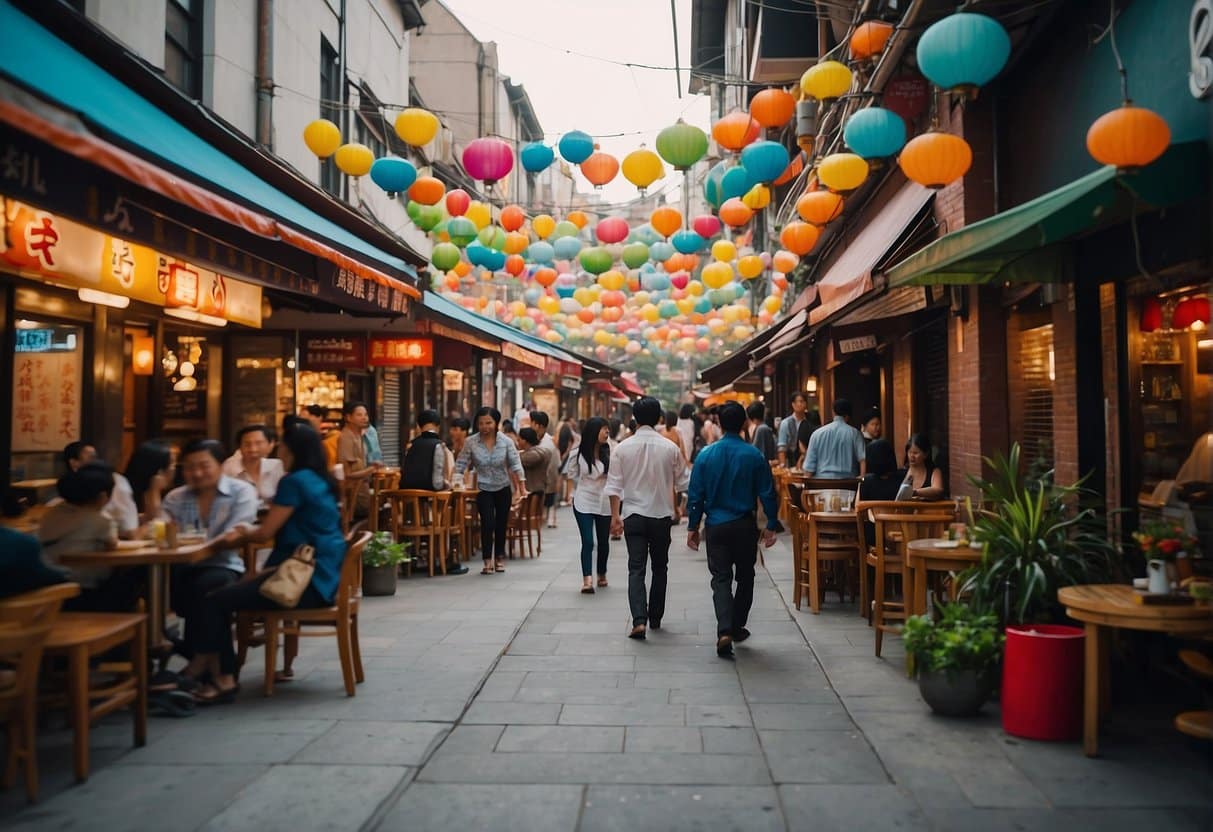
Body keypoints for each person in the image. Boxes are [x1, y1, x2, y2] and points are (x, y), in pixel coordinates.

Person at [188, 420, 350, 702]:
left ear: (293, 451)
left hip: (300, 585)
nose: (280, 454)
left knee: (213, 599)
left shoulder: (294, 482)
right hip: (322, 579)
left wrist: (241, 532)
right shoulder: (322, 480)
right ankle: (208, 667)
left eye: (283, 448)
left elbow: (265, 532)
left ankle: (217, 674)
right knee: (221, 592)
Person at [686, 402, 779, 658]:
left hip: (716, 525)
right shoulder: (754, 456)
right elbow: (767, 492)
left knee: (721, 578)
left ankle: (725, 629)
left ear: (720, 422)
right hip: (744, 524)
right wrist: (771, 524)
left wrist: (693, 526)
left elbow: (696, 495)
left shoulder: (705, 455)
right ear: (744, 423)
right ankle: (736, 625)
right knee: (746, 576)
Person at [162, 439, 259, 683]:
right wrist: (153, 492)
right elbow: (159, 530)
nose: (196, 473)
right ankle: (211, 665)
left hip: (223, 565)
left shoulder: (241, 492)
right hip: (178, 567)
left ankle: (209, 666)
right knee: (147, 589)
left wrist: (203, 545)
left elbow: (236, 534)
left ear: (220, 465)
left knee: (209, 588)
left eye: (204, 466)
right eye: (189, 467)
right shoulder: (175, 497)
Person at [605, 396, 689, 640]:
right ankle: (656, 616)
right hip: (661, 515)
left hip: (633, 515)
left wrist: (614, 517)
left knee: (636, 568)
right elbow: (684, 482)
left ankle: (638, 620)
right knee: (660, 567)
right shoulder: (670, 448)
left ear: (635, 418)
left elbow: (613, 487)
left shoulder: (621, 448)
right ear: (659, 418)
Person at [38, 463, 140, 612]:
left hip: (50, 585)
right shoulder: (101, 520)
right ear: (103, 496)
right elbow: (113, 545)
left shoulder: (51, 514)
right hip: (84, 590)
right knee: (135, 574)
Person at [456, 406, 526, 575]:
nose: (485, 427)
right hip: (483, 488)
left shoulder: (506, 442)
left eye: (489, 423)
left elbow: (515, 463)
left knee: (501, 524)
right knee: (487, 523)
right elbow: (460, 463)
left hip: (503, 487)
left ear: (496, 424)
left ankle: (499, 558)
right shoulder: (471, 442)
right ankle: (487, 560)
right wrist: (456, 481)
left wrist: (522, 487)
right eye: (481, 423)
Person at [571, 417, 612, 594]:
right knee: (588, 541)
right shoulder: (578, 453)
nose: (607, 433)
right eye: (604, 429)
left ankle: (601, 573)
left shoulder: (611, 452)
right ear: (594, 432)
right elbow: (571, 473)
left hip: (604, 502)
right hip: (583, 501)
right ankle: (587, 580)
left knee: (603, 542)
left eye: (607, 430)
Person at [109, 439, 174, 540]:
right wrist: (154, 491)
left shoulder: (130, 488)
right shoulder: (121, 488)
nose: (174, 468)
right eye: (172, 464)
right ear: (159, 470)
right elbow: (135, 536)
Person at [336, 401, 382, 516]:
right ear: (348, 417)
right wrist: (371, 469)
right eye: (359, 415)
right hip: (353, 495)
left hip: (362, 490)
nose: (364, 418)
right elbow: (348, 474)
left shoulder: (359, 436)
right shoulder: (346, 437)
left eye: (365, 414)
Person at [802, 399, 866, 479]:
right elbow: (862, 459)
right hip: (848, 485)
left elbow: (809, 468)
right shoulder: (855, 434)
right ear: (848, 415)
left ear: (833, 412)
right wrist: (862, 479)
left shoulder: (817, 434)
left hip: (822, 484)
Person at [858, 439, 905, 545]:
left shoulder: (867, 481)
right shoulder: (902, 478)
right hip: (901, 532)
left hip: (874, 536)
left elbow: (860, 507)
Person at [222, 425, 285, 504]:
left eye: (258, 443)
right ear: (239, 447)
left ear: (270, 444)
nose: (253, 449)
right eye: (247, 444)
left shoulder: (277, 466)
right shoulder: (229, 468)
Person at [402, 409, 453, 491]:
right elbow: (437, 483)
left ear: (419, 426)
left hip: (408, 496)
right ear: (438, 427)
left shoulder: (410, 445)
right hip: (431, 495)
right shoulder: (439, 446)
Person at [531, 411, 562, 529]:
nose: (530, 425)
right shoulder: (541, 440)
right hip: (543, 483)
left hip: (545, 482)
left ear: (539, 426)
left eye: (532, 423)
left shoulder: (548, 443)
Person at [903, 433, 945, 499]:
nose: (912, 456)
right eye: (909, 452)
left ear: (926, 454)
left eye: (915, 453)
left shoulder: (934, 472)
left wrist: (914, 492)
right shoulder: (903, 472)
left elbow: (938, 490)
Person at [517, 428, 554, 502]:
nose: (518, 442)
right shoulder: (541, 451)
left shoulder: (533, 454)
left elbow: (528, 458)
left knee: (532, 513)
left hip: (534, 491)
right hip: (537, 489)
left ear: (524, 441)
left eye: (519, 440)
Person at [777, 393, 809, 468]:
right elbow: (782, 447)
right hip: (791, 460)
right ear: (793, 404)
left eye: (803, 401)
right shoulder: (786, 423)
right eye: (799, 401)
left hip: (808, 460)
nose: (801, 404)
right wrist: (783, 465)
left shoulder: (809, 421)